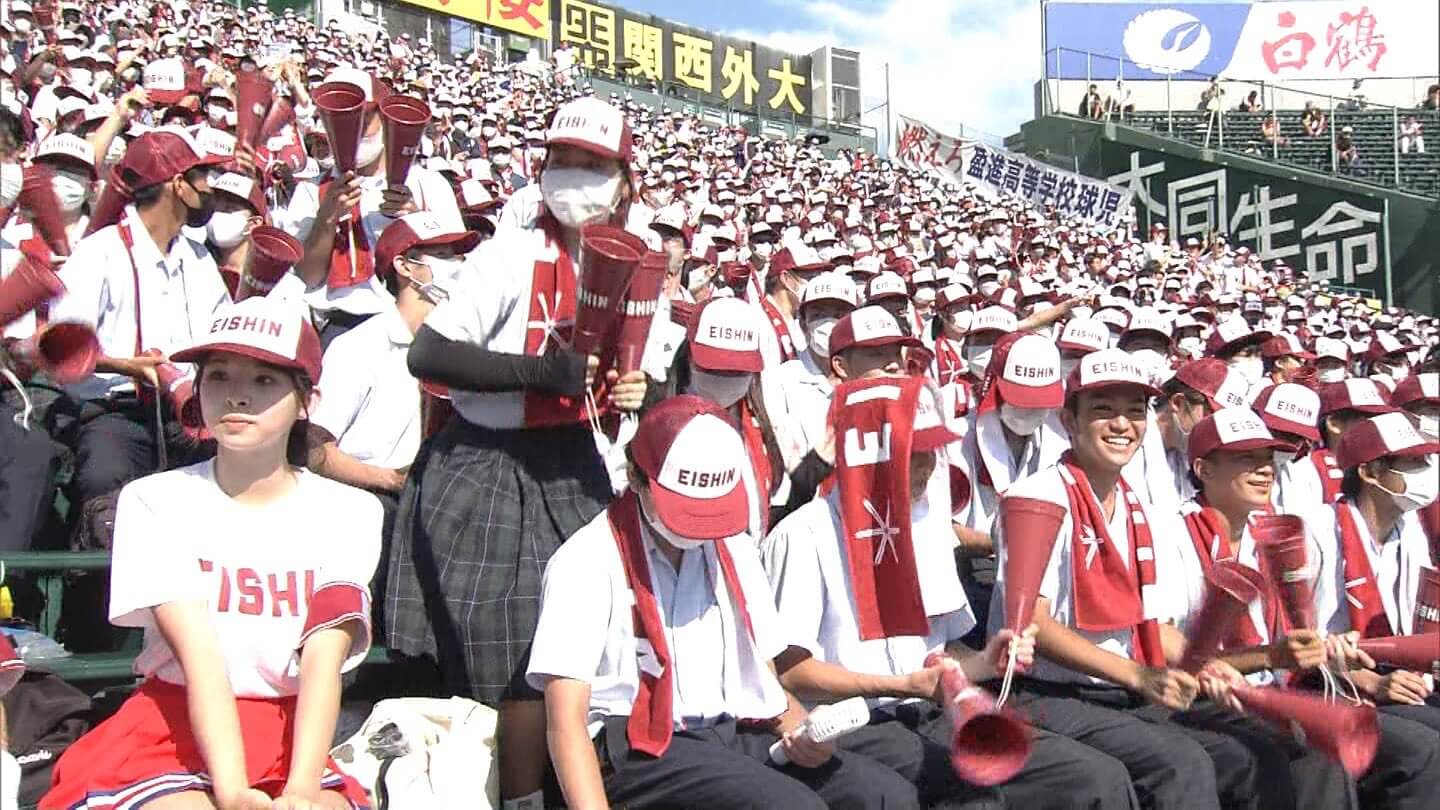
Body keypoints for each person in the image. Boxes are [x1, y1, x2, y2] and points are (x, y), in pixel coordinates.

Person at [384, 97, 650, 810]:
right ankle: (519, 796)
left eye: (592, 166)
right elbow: (430, 352)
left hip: (573, 461)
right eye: (563, 162)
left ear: (624, 180)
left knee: (577, 641)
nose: (574, 177)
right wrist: (537, 372)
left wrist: (630, 389)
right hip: (490, 460)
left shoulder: (631, 264)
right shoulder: (510, 253)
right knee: (509, 646)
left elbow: (621, 376)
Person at [43, 296, 378, 809]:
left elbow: (322, 662)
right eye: (218, 376)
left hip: (295, 739)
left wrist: (303, 789)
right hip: (171, 730)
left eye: (264, 381)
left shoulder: (351, 511)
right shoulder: (154, 500)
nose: (237, 397)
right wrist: (233, 791)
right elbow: (200, 658)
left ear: (307, 399)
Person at [765, 376, 1139, 810]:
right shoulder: (804, 534)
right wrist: (902, 685)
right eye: (913, 451)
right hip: (852, 723)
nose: (928, 464)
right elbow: (791, 672)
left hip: (928, 711)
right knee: (967, 793)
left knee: (1090, 777)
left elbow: (940, 649)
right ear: (869, 450)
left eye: (931, 450)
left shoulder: (926, 528)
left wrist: (984, 661)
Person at [527, 396, 919, 810]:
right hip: (638, 745)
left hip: (733, 730)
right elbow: (566, 719)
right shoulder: (586, 559)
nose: (698, 529)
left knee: (882, 794)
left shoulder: (733, 546)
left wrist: (804, 735)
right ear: (638, 480)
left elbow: (765, 678)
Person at [989, 348, 1316, 810]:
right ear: (1068, 420)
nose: (1122, 425)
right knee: (1180, 764)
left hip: (1118, 689)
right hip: (1045, 692)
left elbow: (1151, 625)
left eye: (1134, 411)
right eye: (1104, 411)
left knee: (1256, 751)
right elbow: (1032, 625)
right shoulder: (1035, 498)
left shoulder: (1139, 509)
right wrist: (1138, 675)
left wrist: (1207, 664)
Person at [1178, 408, 1440, 809]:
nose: (1264, 470)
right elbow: (1170, 642)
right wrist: (1357, 675)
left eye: (1267, 459)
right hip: (1251, 690)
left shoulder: (1270, 534)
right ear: (1203, 468)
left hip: (1297, 681)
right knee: (1379, 751)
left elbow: (1300, 639)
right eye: (1246, 458)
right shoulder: (1305, 532)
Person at [46, 128, 229, 519]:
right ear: (178, 185)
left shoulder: (199, 258)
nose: (210, 188)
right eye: (203, 178)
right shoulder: (100, 251)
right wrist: (127, 366)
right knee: (105, 482)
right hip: (116, 411)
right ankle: (98, 578)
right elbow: (63, 345)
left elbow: (222, 329)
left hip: (191, 412)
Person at [1315, 412, 1440, 729]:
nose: (1426, 472)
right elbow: (1300, 638)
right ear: (1370, 472)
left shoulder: (1409, 529)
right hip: (1331, 681)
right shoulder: (1318, 530)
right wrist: (1371, 681)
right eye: (1412, 463)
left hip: (1396, 671)